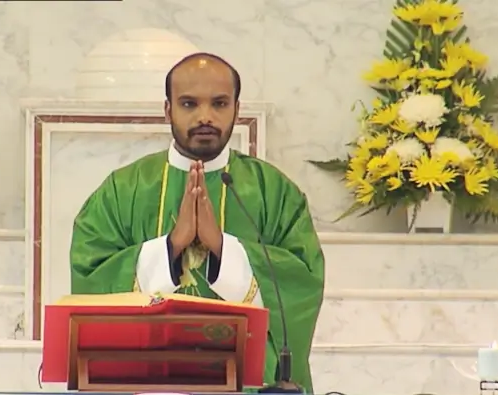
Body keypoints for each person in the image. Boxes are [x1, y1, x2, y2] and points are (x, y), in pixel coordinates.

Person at [69, 52, 325, 393]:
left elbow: (303, 283)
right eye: (189, 103)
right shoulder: (124, 188)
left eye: (219, 103)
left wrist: (221, 247)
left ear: (236, 108)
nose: (205, 116)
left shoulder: (272, 191)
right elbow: (90, 278)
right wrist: (172, 246)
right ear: (167, 109)